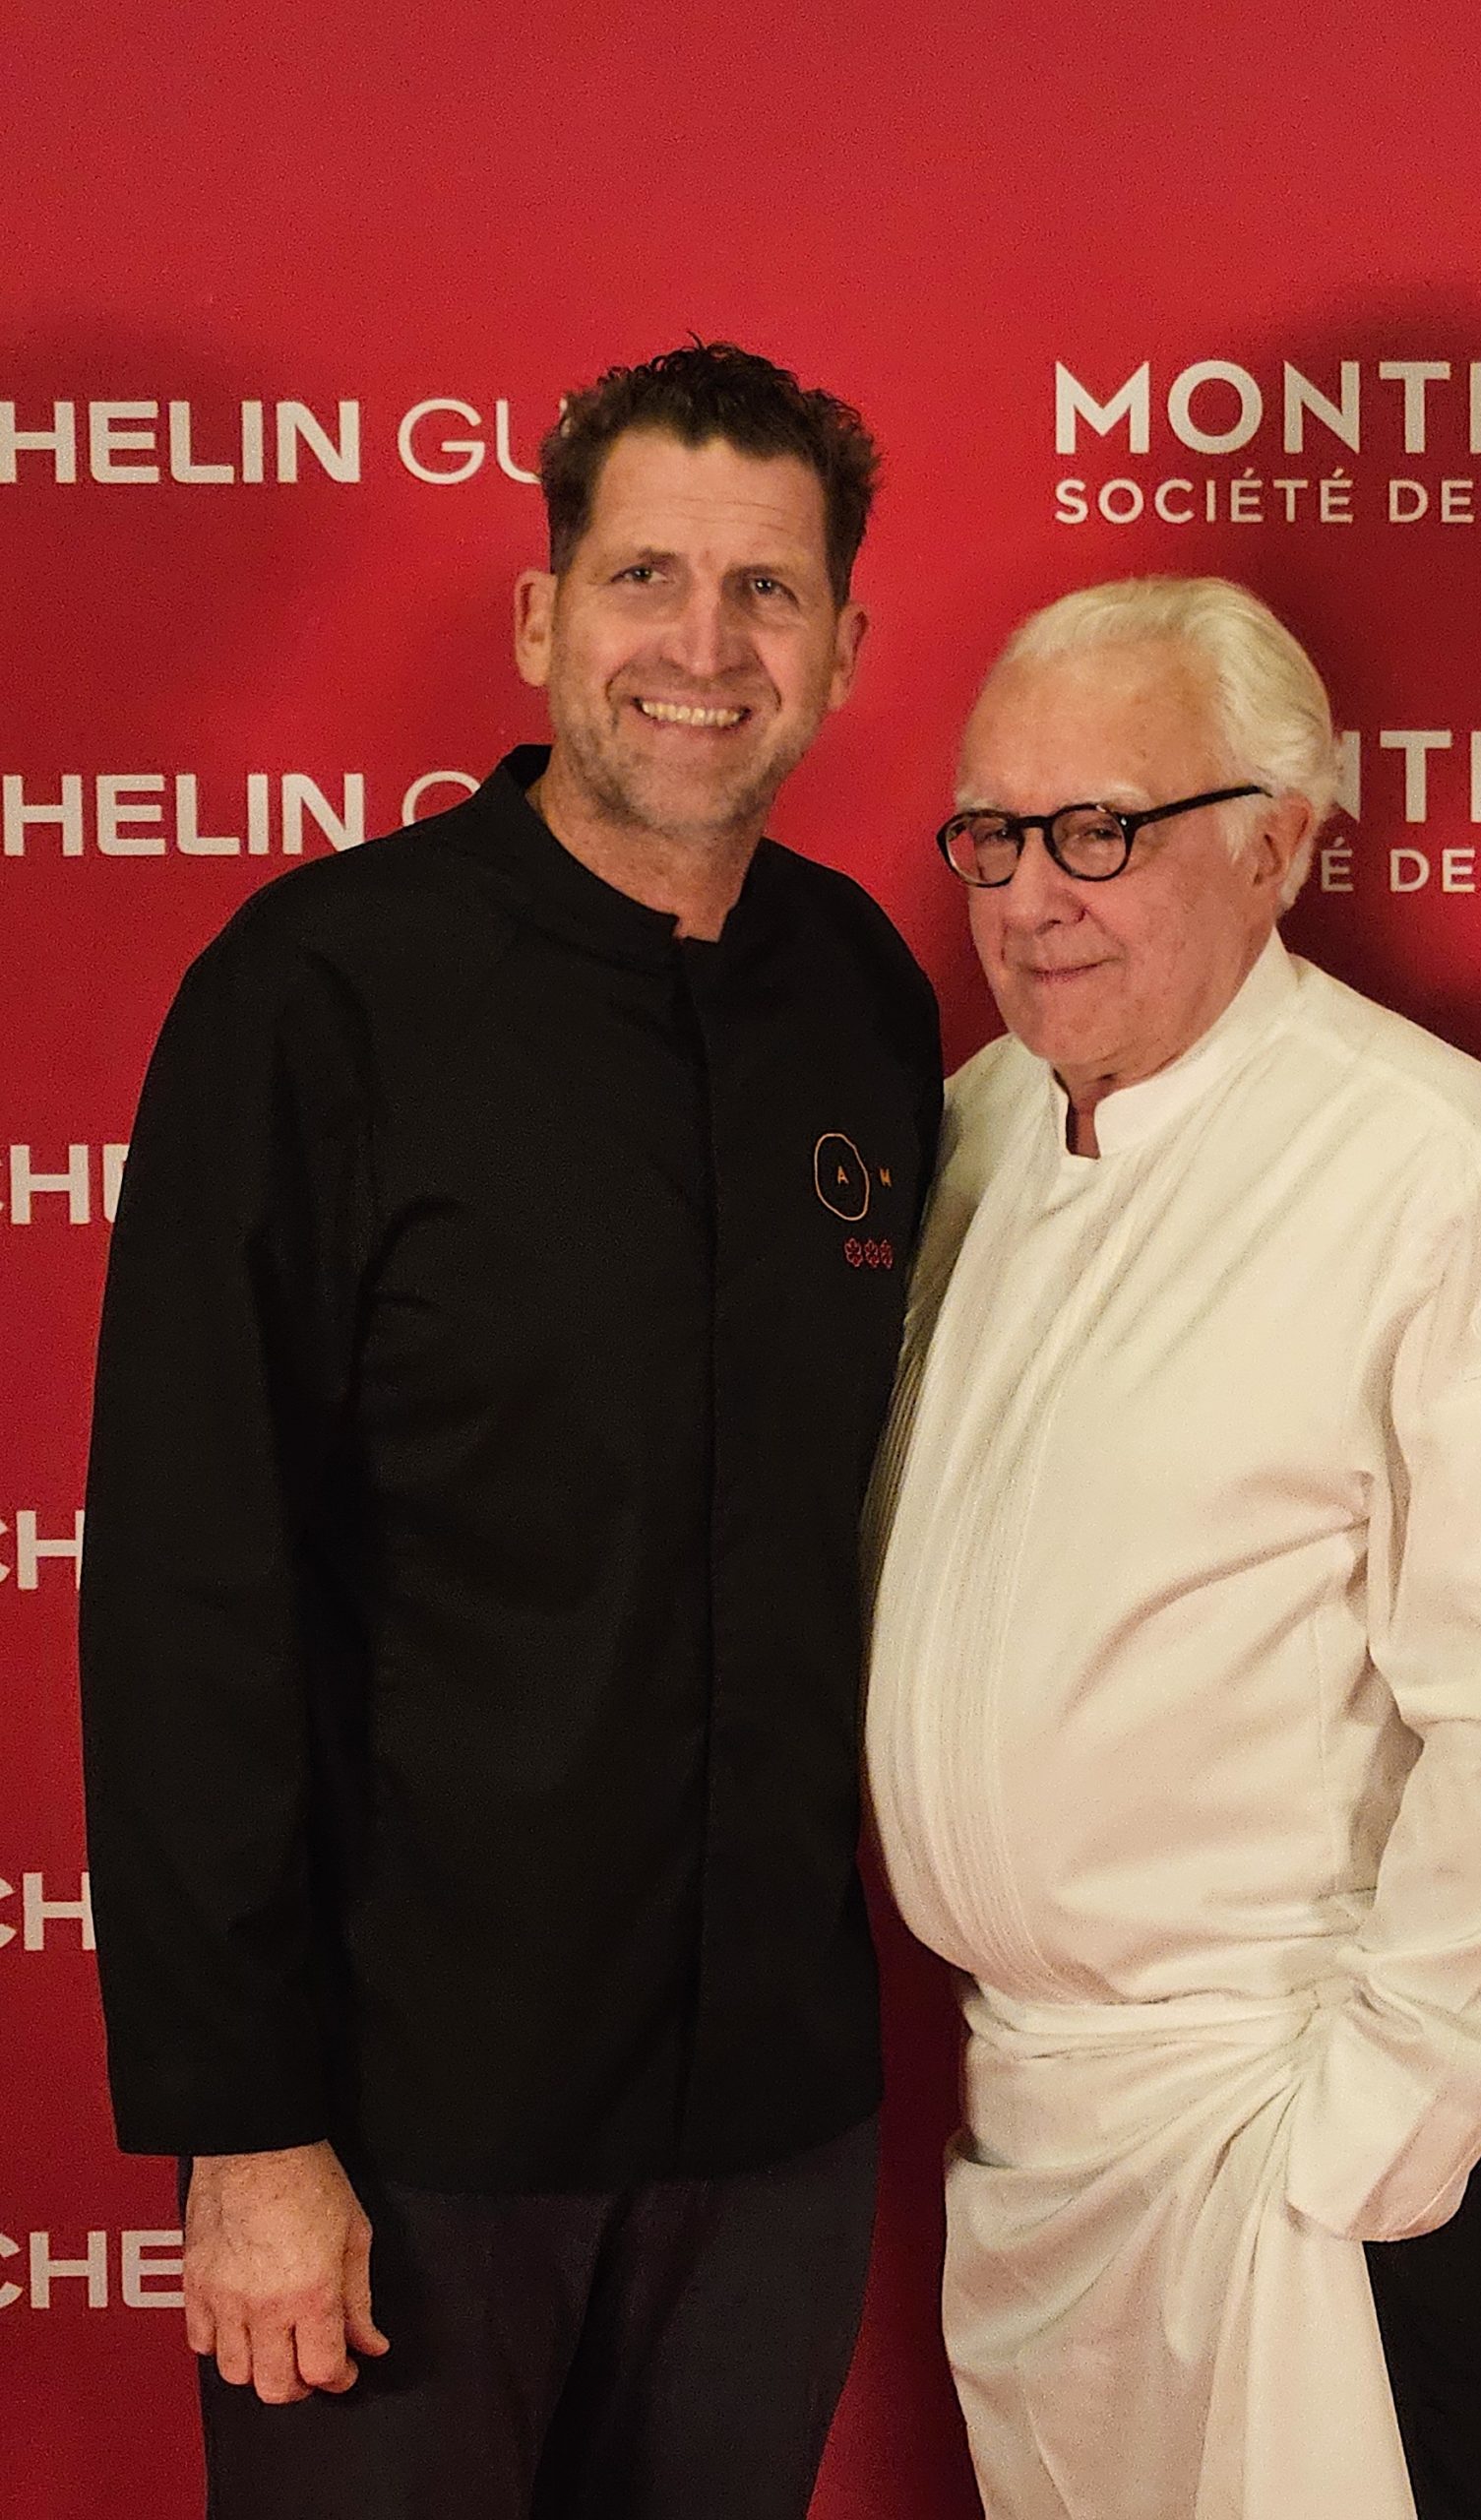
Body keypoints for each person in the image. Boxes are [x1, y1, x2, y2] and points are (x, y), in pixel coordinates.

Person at [80, 341, 941, 2520]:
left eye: (765, 591)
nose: (702, 645)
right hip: (404, 2140)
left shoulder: (863, 994)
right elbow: (188, 1592)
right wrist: (248, 2134)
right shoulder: (317, 993)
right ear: (546, 617)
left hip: (770, 2130)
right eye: (646, 575)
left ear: (844, 649)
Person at [865, 574, 1481, 2520]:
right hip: (1035, 2122)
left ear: (1279, 843)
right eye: (993, 835)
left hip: (1288, 2119)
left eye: (1100, 832)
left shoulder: (1419, 1157)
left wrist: (1375, 2129)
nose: (1032, 897)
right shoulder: (968, 1132)